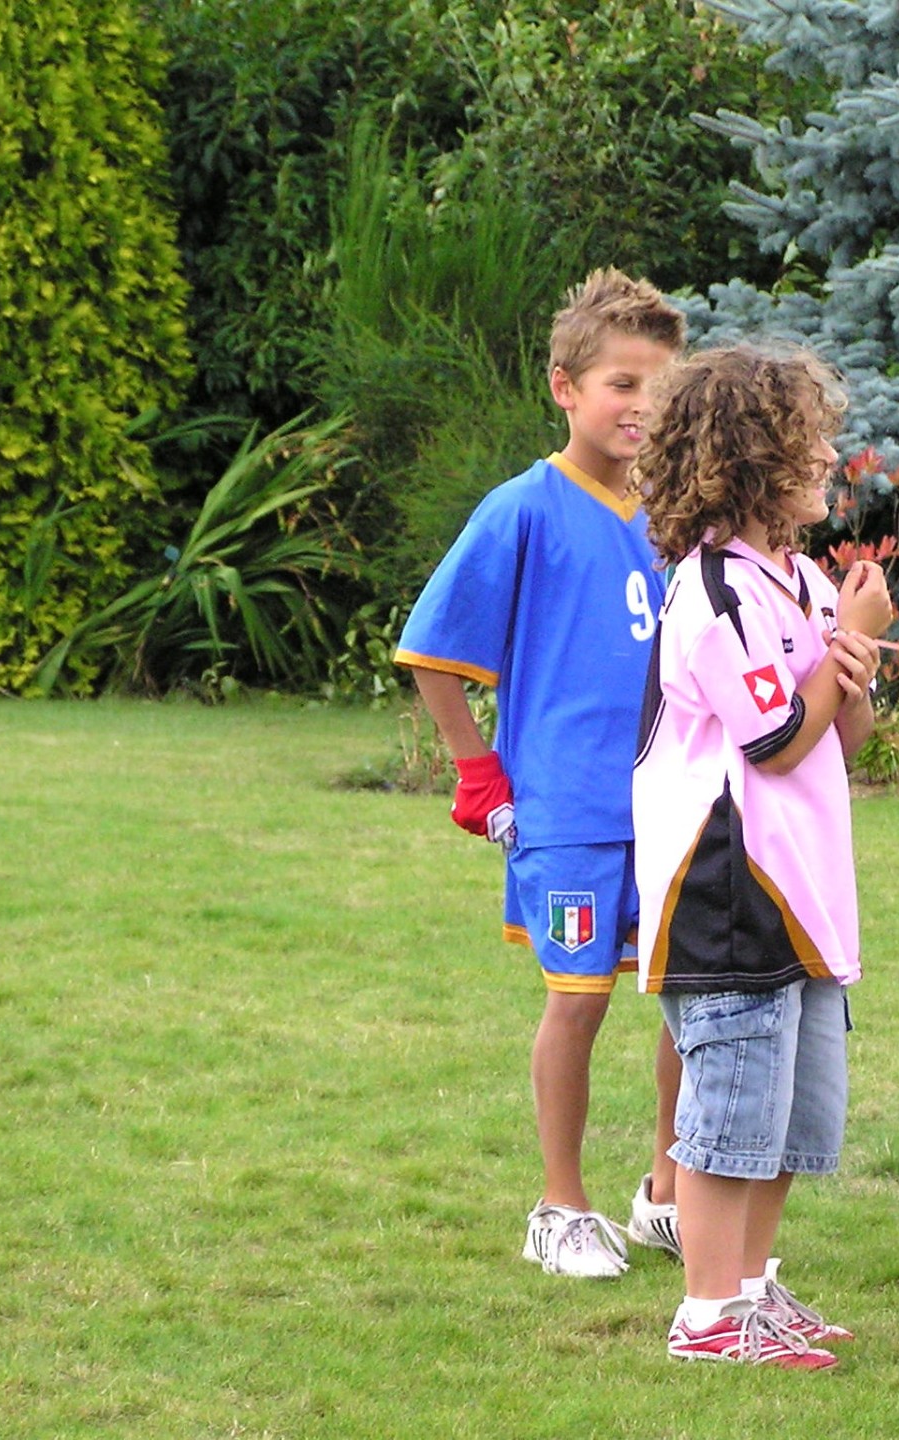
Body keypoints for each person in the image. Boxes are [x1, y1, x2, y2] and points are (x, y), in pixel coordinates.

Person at [394, 269, 687, 1279]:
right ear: (565, 388)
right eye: (620, 384)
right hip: (567, 809)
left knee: (688, 996)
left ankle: (667, 1194)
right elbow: (431, 651)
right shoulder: (522, 507)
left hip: (672, 803)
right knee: (579, 999)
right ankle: (559, 1208)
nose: (640, 406)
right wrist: (477, 773)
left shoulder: (679, 514)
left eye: (658, 387)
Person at [631, 346, 893, 1368]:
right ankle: (705, 1319)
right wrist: (844, 649)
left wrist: (851, 653)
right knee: (731, 1110)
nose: (828, 457)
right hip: (728, 889)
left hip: (802, 891)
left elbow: (842, 736)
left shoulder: (800, 579)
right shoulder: (714, 593)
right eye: (808, 442)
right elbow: (775, 740)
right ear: (751, 460)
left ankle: (748, 1290)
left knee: (788, 1117)